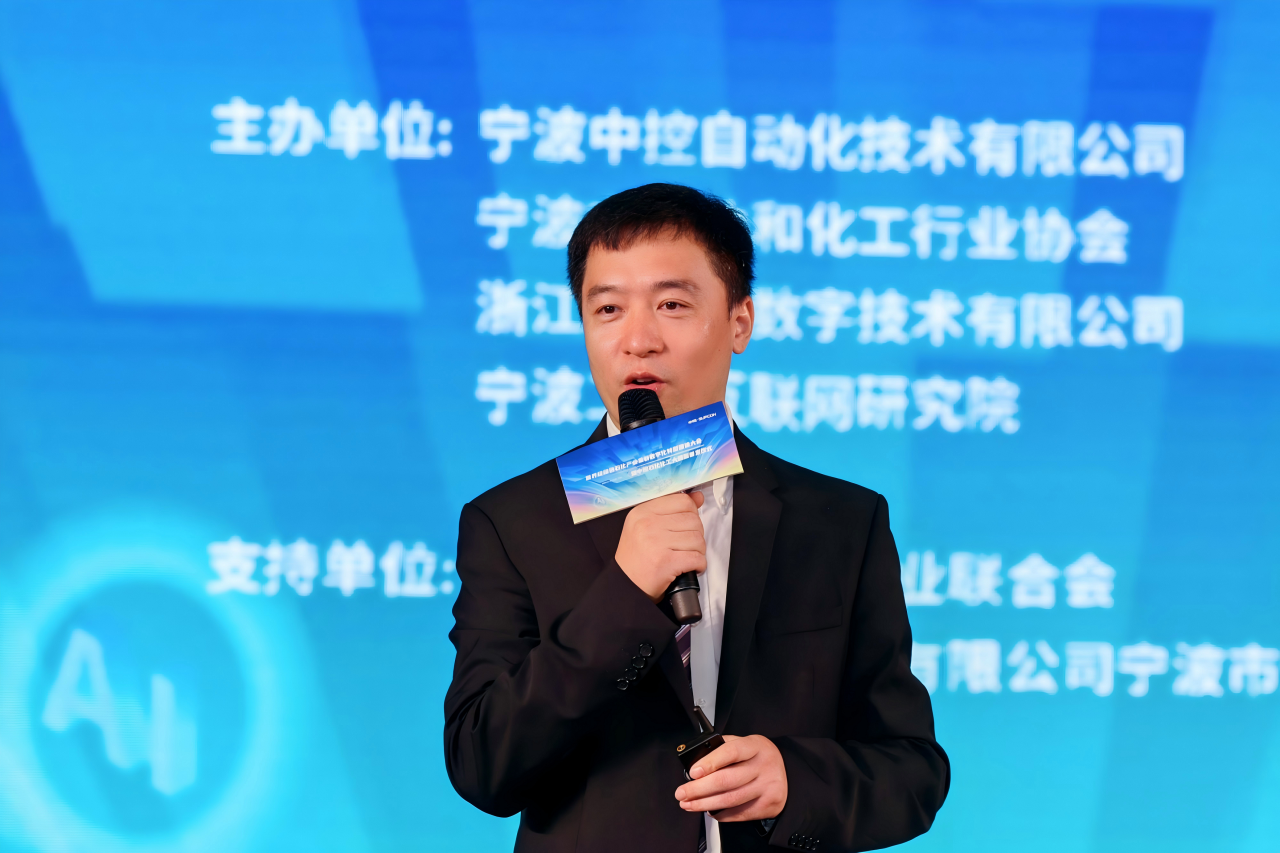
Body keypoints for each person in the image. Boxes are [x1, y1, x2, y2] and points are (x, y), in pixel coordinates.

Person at [444, 183, 949, 852]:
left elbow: (911, 771)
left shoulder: (840, 522)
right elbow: (482, 764)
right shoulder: (514, 522)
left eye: (673, 304)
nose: (638, 340)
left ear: (740, 322)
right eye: (608, 309)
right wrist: (625, 595)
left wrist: (796, 780)